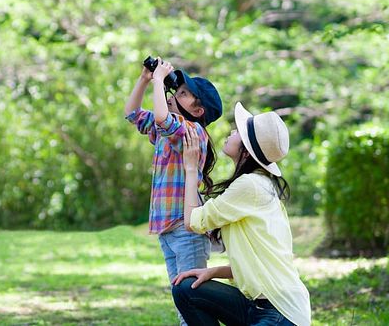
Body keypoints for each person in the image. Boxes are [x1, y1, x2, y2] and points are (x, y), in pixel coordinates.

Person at [170, 102, 311, 326]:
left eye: (239, 131)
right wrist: (212, 272)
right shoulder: (256, 185)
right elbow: (257, 263)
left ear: (246, 149)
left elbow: (192, 221)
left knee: (187, 287)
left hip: (280, 311)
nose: (232, 131)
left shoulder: (250, 186)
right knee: (185, 289)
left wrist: (190, 168)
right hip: (254, 306)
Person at [125, 58, 224, 322]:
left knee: (191, 301)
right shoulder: (168, 130)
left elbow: (162, 118)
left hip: (185, 230)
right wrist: (145, 79)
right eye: (175, 90)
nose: (173, 95)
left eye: (182, 93)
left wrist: (159, 80)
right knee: (183, 302)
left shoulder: (192, 131)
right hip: (168, 229)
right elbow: (133, 114)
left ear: (199, 110)